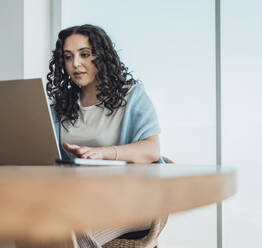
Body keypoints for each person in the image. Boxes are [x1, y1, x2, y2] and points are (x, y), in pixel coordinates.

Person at [46, 24, 164, 247]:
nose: (76, 64)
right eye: (68, 57)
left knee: (76, 235)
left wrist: (103, 154)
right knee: (29, 227)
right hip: (79, 199)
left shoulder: (131, 96)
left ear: (102, 57)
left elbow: (151, 150)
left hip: (132, 201)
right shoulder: (60, 108)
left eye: (85, 55)